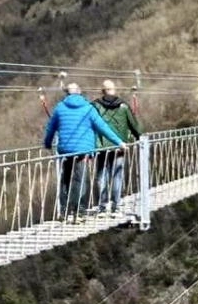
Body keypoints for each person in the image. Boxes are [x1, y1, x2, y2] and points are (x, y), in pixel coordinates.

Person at [44, 83, 124, 223]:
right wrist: (119, 142)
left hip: (65, 150)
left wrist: (47, 143)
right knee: (80, 180)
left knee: (65, 180)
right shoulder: (89, 109)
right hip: (83, 151)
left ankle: (64, 211)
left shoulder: (60, 108)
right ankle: (79, 211)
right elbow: (103, 127)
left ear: (67, 94)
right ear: (80, 93)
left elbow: (50, 128)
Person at [90, 80, 142, 214]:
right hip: (120, 146)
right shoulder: (123, 106)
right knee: (117, 176)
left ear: (102, 91)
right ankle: (115, 205)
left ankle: (102, 206)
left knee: (102, 176)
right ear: (114, 90)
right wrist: (140, 138)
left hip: (101, 147)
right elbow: (134, 125)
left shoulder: (95, 106)